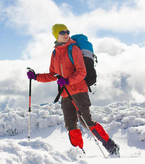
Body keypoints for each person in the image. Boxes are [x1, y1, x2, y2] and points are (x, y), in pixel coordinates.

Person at [27, 23, 119, 156]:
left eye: (67, 32)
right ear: (56, 35)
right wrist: (36, 76)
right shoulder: (55, 53)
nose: (66, 34)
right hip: (65, 93)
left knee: (87, 122)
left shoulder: (73, 49)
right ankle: (78, 153)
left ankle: (112, 147)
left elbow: (82, 72)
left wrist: (68, 80)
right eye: (62, 32)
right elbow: (52, 75)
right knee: (70, 125)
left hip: (79, 91)